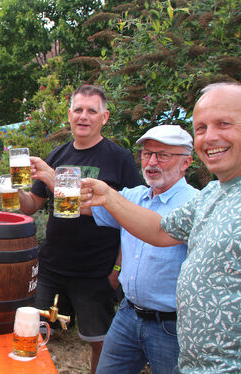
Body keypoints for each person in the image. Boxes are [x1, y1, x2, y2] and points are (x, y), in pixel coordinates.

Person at [82, 82, 241, 373]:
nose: (210, 136)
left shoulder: (194, 196)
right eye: (202, 127)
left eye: (224, 124)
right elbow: (161, 230)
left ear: (185, 163)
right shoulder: (213, 194)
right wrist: (107, 196)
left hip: (182, 337)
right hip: (145, 326)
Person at [17, 85, 142, 373]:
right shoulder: (57, 154)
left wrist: (117, 270)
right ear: (69, 115)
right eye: (78, 109)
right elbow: (30, 206)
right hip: (51, 266)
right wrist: (15, 191)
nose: (83, 116)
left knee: (100, 342)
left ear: (105, 117)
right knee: (30, 330)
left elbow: (131, 216)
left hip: (95, 270)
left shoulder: (119, 158)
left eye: (91, 111)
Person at [92, 125, 198, 374]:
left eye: (162, 155)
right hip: (128, 313)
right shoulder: (134, 197)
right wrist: (46, 174)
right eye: (147, 154)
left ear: (186, 163)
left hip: (171, 326)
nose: (151, 162)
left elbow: (160, 231)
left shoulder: (196, 204)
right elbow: (81, 201)